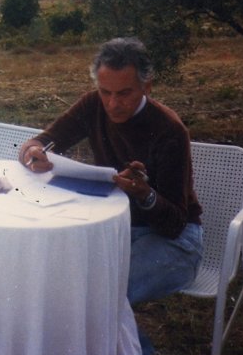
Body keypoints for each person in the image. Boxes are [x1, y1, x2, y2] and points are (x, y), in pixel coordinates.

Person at [18, 37, 203, 355]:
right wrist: (34, 150)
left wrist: (144, 194)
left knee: (97, 295)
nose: (112, 104)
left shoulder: (169, 130)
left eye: (124, 93)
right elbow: (44, 139)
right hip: (118, 228)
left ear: (148, 87)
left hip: (177, 243)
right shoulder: (93, 105)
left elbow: (174, 223)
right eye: (105, 92)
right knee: (63, 286)